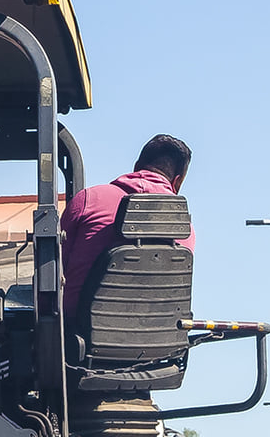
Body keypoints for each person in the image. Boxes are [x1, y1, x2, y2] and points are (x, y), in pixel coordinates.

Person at [60, 134, 195, 323]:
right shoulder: (183, 227)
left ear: (136, 166)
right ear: (177, 181)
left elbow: (54, 270)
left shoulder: (88, 200)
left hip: (78, 339)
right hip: (159, 341)